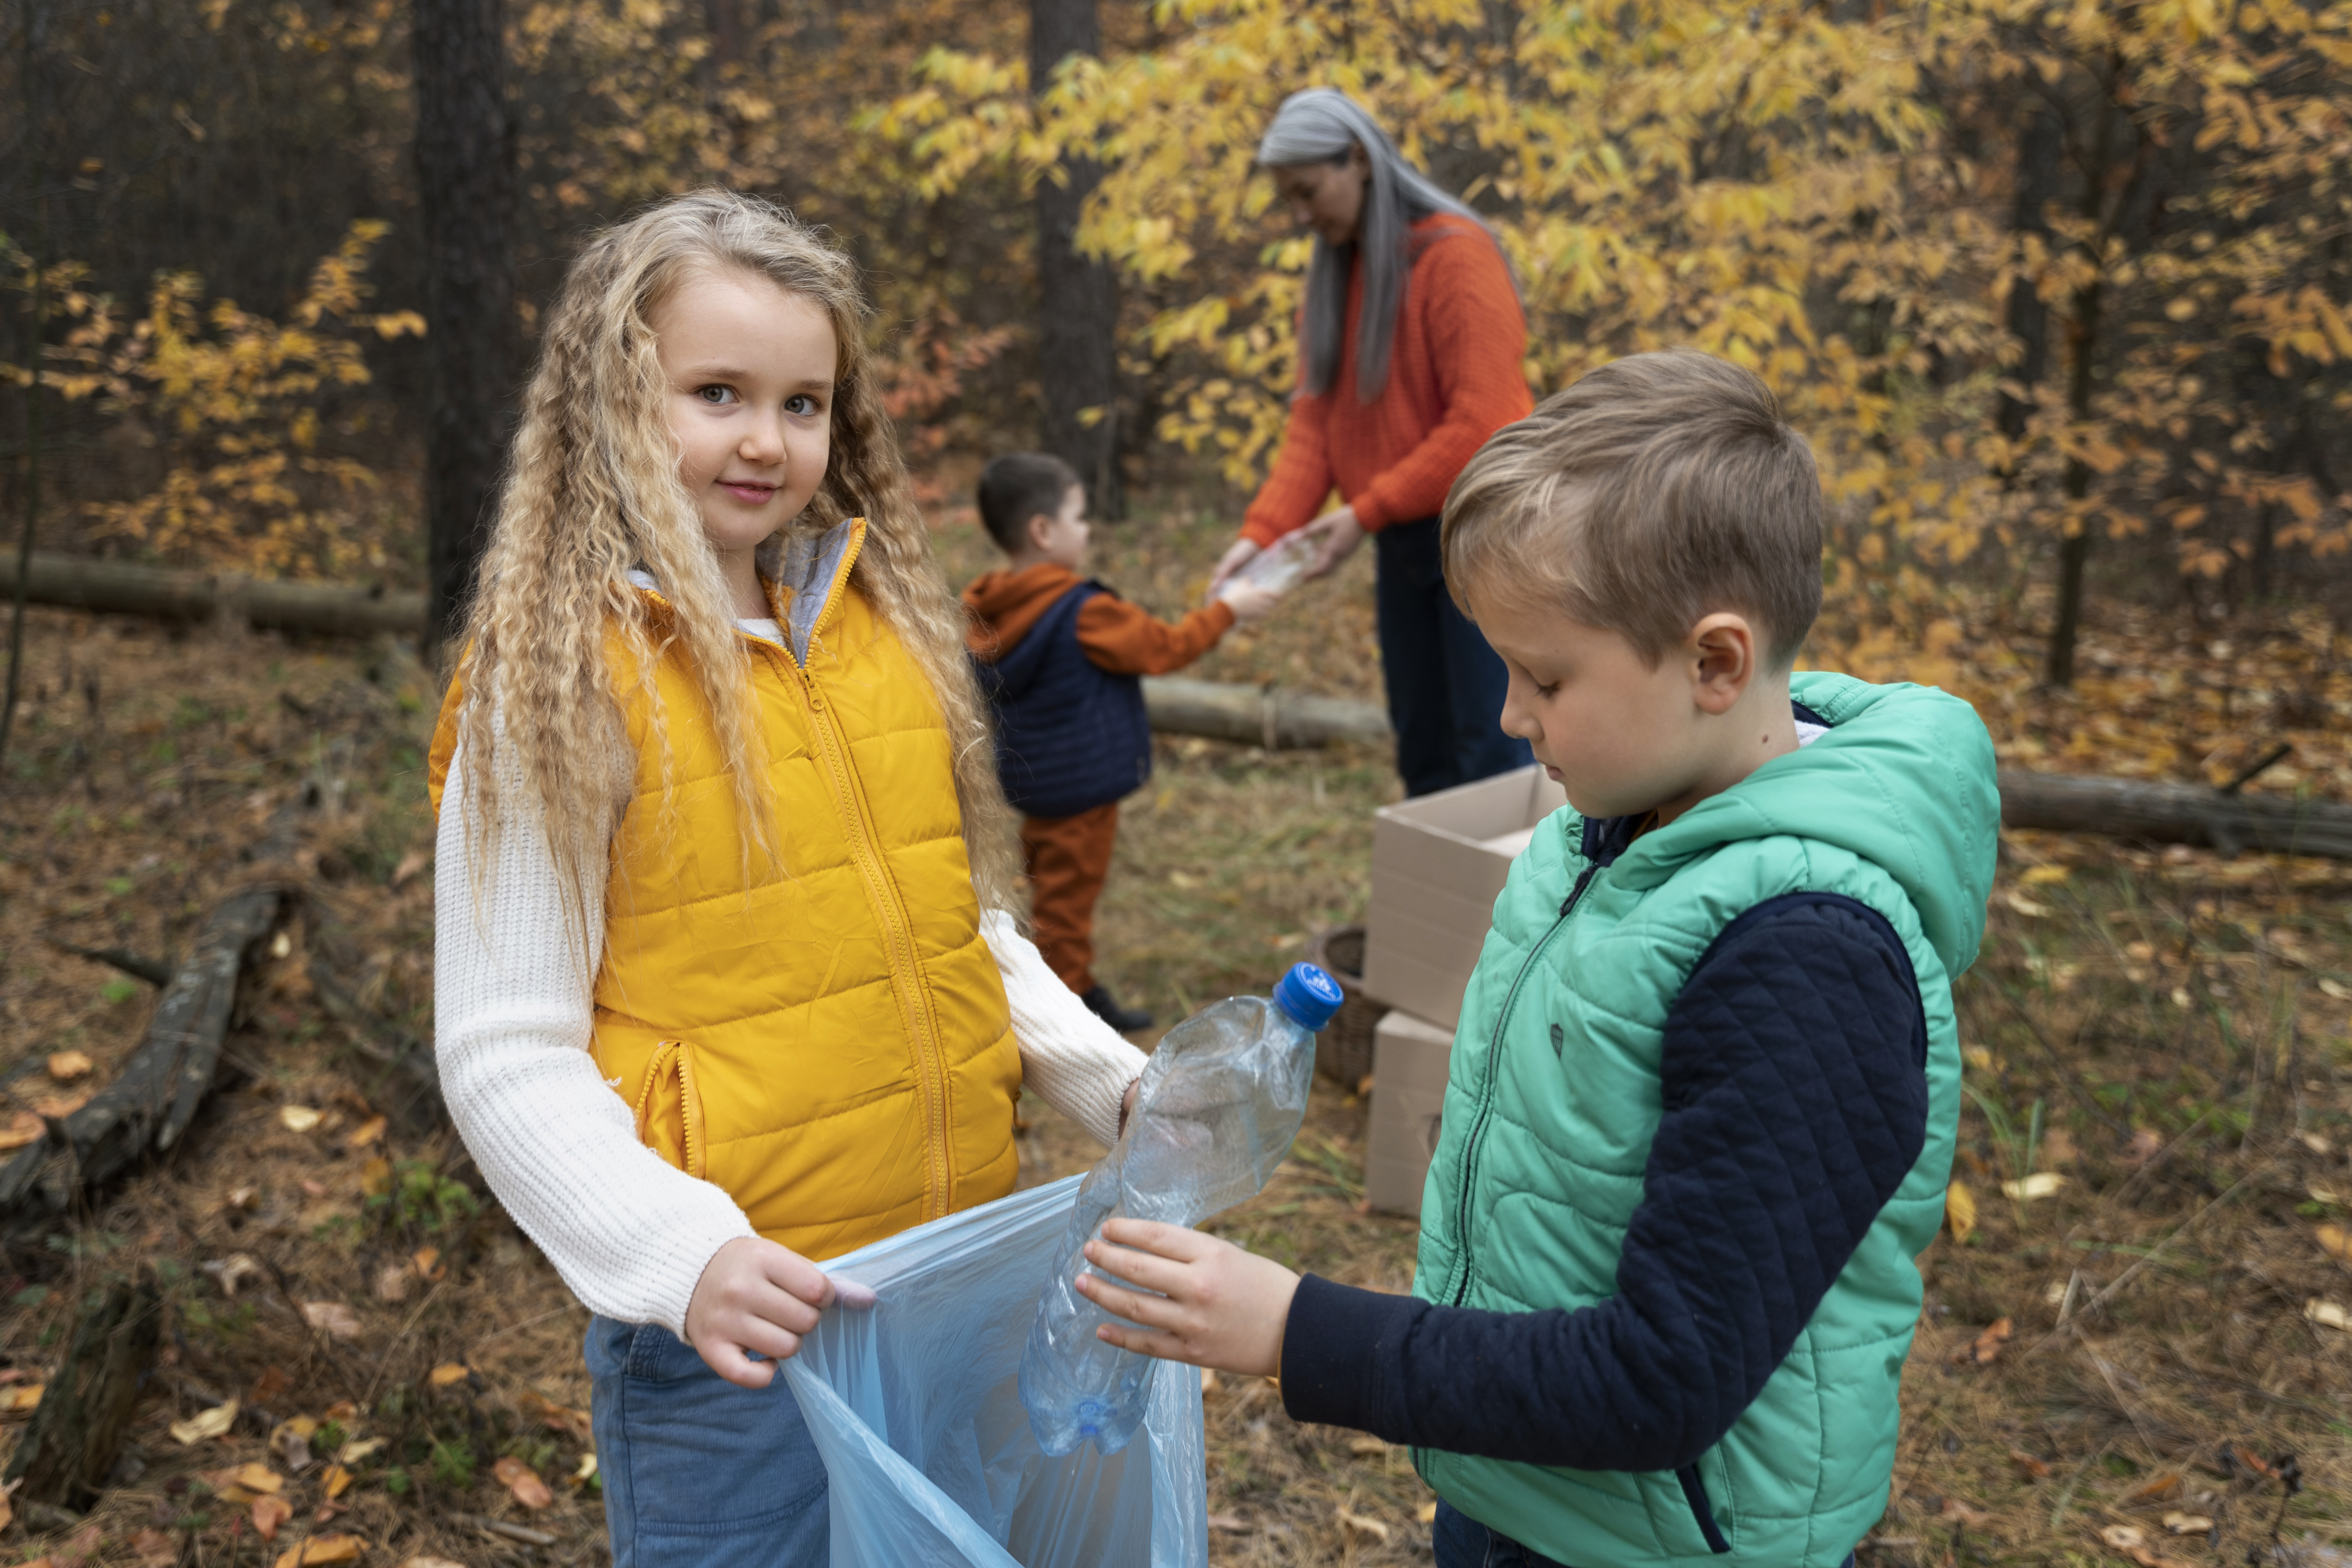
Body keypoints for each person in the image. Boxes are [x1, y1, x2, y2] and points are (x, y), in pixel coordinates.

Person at [1069, 352, 2002, 1568]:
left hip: (1662, 1537)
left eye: (1545, 676)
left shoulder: (1807, 958)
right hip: (1524, 1477)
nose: (1510, 714)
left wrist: (1297, 1328)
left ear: (1715, 663)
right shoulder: (1617, 824)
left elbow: (1664, 1376)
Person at [426, 191, 1152, 1568]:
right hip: (743, 1338)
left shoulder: (876, 629)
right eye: (716, 392)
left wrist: (1110, 1079)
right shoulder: (559, 678)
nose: (766, 439)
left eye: (803, 402)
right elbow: (501, 1048)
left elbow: (953, 917)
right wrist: (680, 1251)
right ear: (612, 402)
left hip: (946, 1289)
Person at [1208, 87, 1536, 797]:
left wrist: (1363, 511)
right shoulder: (1338, 274)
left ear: (1357, 159)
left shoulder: (1458, 257)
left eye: (1306, 191)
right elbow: (1316, 431)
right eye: (1287, 198)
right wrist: (1261, 537)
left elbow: (1483, 427)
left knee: (1492, 750)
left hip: (1487, 536)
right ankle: (1433, 901)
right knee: (1421, 747)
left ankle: (1510, 906)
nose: (1300, 215)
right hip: (1405, 544)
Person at [964, 452, 1279, 1031]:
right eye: (1079, 518)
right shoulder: (1084, 612)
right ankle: (1064, 1008)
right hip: (1081, 788)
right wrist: (1226, 611)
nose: (1087, 531)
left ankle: (1072, 981)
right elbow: (1164, 647)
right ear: (1043, 531)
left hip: (1037, 783)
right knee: (1068, 900)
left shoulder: (988, 608)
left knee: (1054, 889)